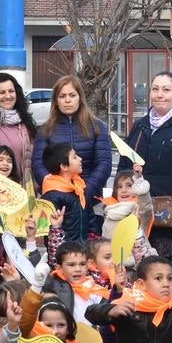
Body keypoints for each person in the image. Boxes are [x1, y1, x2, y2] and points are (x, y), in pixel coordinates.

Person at [119, 72, 172, 258]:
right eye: (155, 89)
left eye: (166, 90)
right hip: (140, 219)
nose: (160, 94)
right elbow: (124, 167)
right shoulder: (140, 126)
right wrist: (121, 201)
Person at [32, 76, 111, 232]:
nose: (67, 100)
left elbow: (104, 163)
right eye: (62, 96)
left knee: (91, 250)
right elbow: (38, 164)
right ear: (56, 100)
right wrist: (56, 190)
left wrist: (86, 191)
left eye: (72, 95)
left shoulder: (97, 127)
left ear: (80, 98)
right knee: (59, 250)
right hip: (58, 204)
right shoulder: (45, 130)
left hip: (90, 200)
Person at [0, 73, 38, 179]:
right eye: (1, 92)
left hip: (24, 188)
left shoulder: (25, 122)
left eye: (11, 91)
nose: (8, 96)